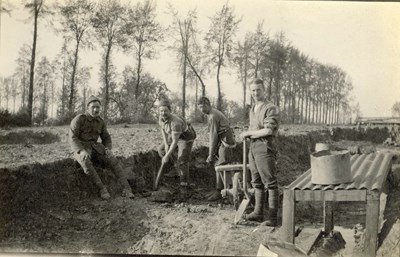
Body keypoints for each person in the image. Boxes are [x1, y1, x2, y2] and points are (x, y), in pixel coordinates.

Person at [69, 96, 134, 200]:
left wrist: (108, 149)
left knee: (112, 159)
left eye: (98, 107)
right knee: (86, 162)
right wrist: (81, 151)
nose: (96, 110)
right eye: (93, 107)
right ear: (87, 108)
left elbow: (106, 137)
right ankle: (102, 189)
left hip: (95, 148)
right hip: (80, 148)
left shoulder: (100, 121)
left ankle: (127, 188)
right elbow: (72, 137)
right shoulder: (79, 119)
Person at [240, 79, 280, 226]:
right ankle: (258, 213)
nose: (256, 93)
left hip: (265, 147)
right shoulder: (252, 108)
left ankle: (273, 218)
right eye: (253, 90)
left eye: (258, 90)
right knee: (256, 181)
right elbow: (255, 128)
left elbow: (268, 130)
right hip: (253, 147)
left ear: (264, 90)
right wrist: (248, 135)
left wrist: (248, 133)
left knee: (270, 182)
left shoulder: (271, 108)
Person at [198, 97, 236, 201]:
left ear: (208, 104)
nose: (202, 109)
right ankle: (221, 190)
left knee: (221, 164)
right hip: (222, 139)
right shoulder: (211, 114)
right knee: (220, 164)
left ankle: (221, 191)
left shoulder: (213, 116)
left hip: (225, 140)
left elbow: (213, 136)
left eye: (204, 106)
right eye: (200, 107)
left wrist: (211, 154)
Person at [157, 98, 196, 200]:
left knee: (182, 160)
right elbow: (163, 130)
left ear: (170, 111)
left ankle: (184, 187)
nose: (163, 113)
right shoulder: (161, 118)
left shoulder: (175, 122)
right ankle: (176, 168)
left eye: (165, 110)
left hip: (185, 137)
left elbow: (175, 142)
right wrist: (165, 144)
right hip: (173, 135)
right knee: (161, 150)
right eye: (161, 111)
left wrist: (167, 155)